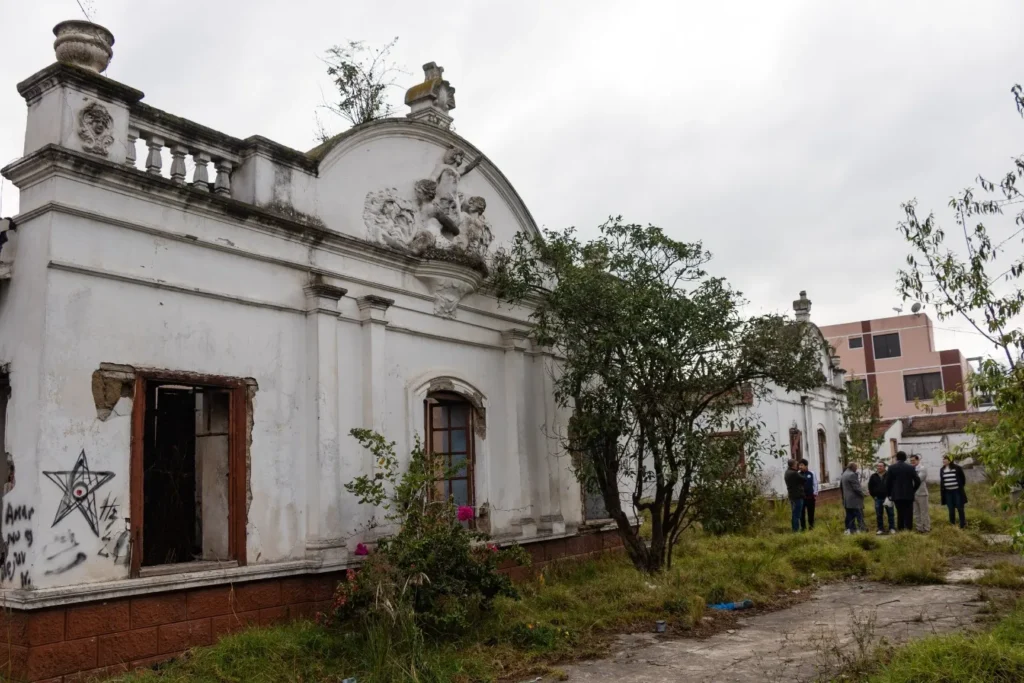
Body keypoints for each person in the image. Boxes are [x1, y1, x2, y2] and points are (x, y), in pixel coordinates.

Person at [886, 451, 921, 531]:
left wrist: (889, 494)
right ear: (905, 458)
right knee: (909, 513)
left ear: (897, 458)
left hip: (896, 495)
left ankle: (901, 531)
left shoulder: (891, 467)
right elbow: (917, 481)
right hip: (908, 494)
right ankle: (909, 530)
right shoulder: (910, 467)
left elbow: (888, 482)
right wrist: (913, 490)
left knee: (900, 513)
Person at [940, 455, 968, 528]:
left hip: (957, 491)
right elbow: (942, 481)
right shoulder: (942, 469)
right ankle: (952, 525)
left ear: (950, 460)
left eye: (945, 459)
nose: (944, 460)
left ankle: (963, 524)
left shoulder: (957, 468)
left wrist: (959, 487)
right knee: (951, 509)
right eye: (943, 459)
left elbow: (963, 479)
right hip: (948, 492)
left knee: (960, 508)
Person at [868, 461, 895, 535]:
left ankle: (892, 528)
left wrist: (891, 496)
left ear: (884, 467)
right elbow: (870, 487)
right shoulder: (873, 476)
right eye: (878, 466)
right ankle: (880, 529)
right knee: (879, 514)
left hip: (888, 498)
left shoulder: (889, 475)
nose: (878, 467)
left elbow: (893, 486)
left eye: (880, 466)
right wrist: (874, 496)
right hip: (878, 499)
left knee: (891, 513)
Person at [840, 462, 866, 534]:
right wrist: (864, 494)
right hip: (855, 500)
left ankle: (852, 530)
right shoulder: (852, 474)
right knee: (859, 516)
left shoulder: (844, 474)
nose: (856, 468)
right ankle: (862, 530)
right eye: (856, 467)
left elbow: (841, 487)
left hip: (847, 500)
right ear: (852, 467)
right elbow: (856, 488)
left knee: (850, 516)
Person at [910, 454, 931, 533]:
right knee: (916, 512)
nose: (912, 462)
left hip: (922, 493)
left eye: (913, 461)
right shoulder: (911, 469)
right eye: (911, 461)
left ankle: (926, 528)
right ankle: (919, 528)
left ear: (918, 460)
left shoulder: (922, 468)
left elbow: (918, 480)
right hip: (913, 493)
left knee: (924, 512)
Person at [784, 459, 805, 533]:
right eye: (796, 464)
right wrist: (802, 472)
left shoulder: (787, 472)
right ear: (793, 465)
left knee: (794, 514)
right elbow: (803, 479)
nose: (798, 466)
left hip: (792, 496)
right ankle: (796, 530)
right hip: (797, 496)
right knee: (797, 514)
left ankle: (794, 529)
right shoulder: (794, 473)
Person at [798, 459, 818, 530]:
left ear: (806, 466)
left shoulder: (812, 473)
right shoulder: (798, 474)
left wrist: (815, 493)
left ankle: (811, 526)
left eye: (801, 465)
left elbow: (815, 483)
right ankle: (803, 527)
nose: (800, 467)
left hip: (810, 497)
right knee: (801, 513)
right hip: (801, 497)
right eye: (799, 465)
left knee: (811, 512)